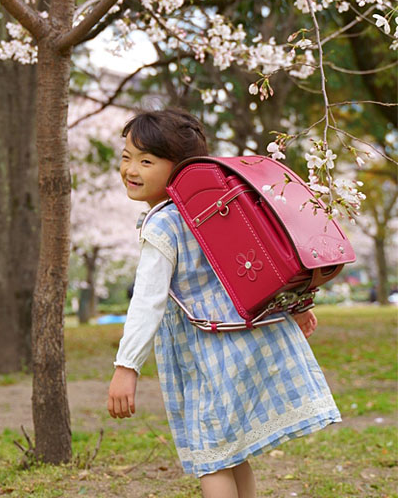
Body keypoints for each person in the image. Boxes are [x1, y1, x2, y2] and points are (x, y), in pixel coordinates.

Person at [107, 108, 340, 498]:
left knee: (210, 455)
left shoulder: (162, 225)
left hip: (204, 352)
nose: (131, 169)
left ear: (180, 170)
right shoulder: (211, 209)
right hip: (239, 338)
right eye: (127, 156)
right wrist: (295, 304)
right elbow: (257, 258)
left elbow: (146, 302)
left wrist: (127, 366)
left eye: (146, 161)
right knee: (231, 450)